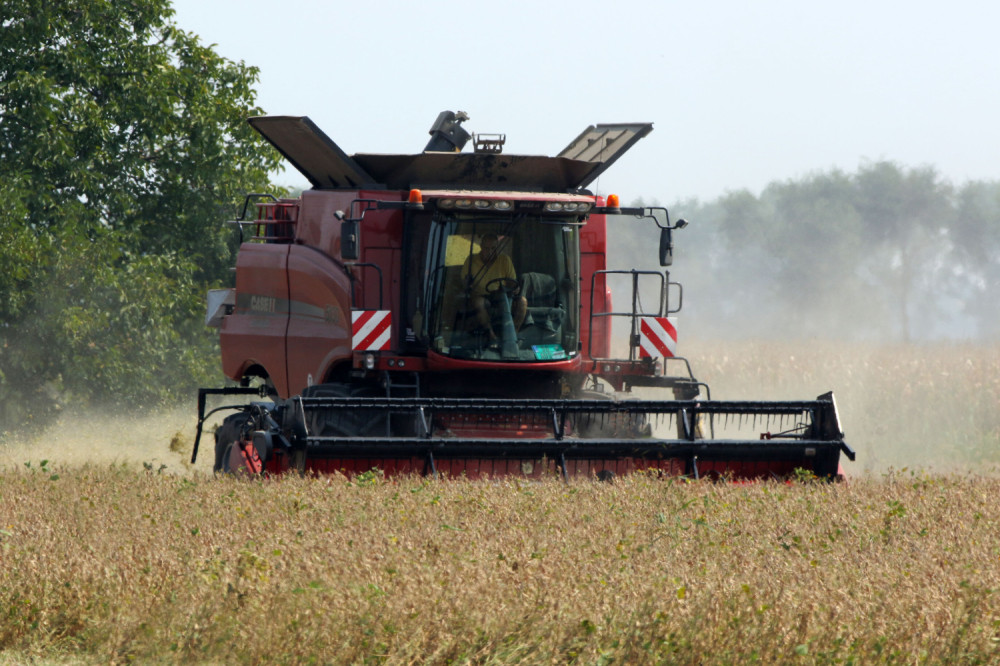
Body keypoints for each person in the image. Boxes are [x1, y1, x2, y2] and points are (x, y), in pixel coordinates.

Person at [461, 233, 526, 341]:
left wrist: (515, 288)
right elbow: (465, 282)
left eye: (493, 248)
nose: (490, 252)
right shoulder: (471, 260)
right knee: (478, 302)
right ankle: (492, 337)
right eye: (487, 248)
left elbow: (512, 282)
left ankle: (512, 336)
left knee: (522, 302)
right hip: (480, 295)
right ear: (481, 247)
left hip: (501, 295)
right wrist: (468, 284)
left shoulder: (505, 260)